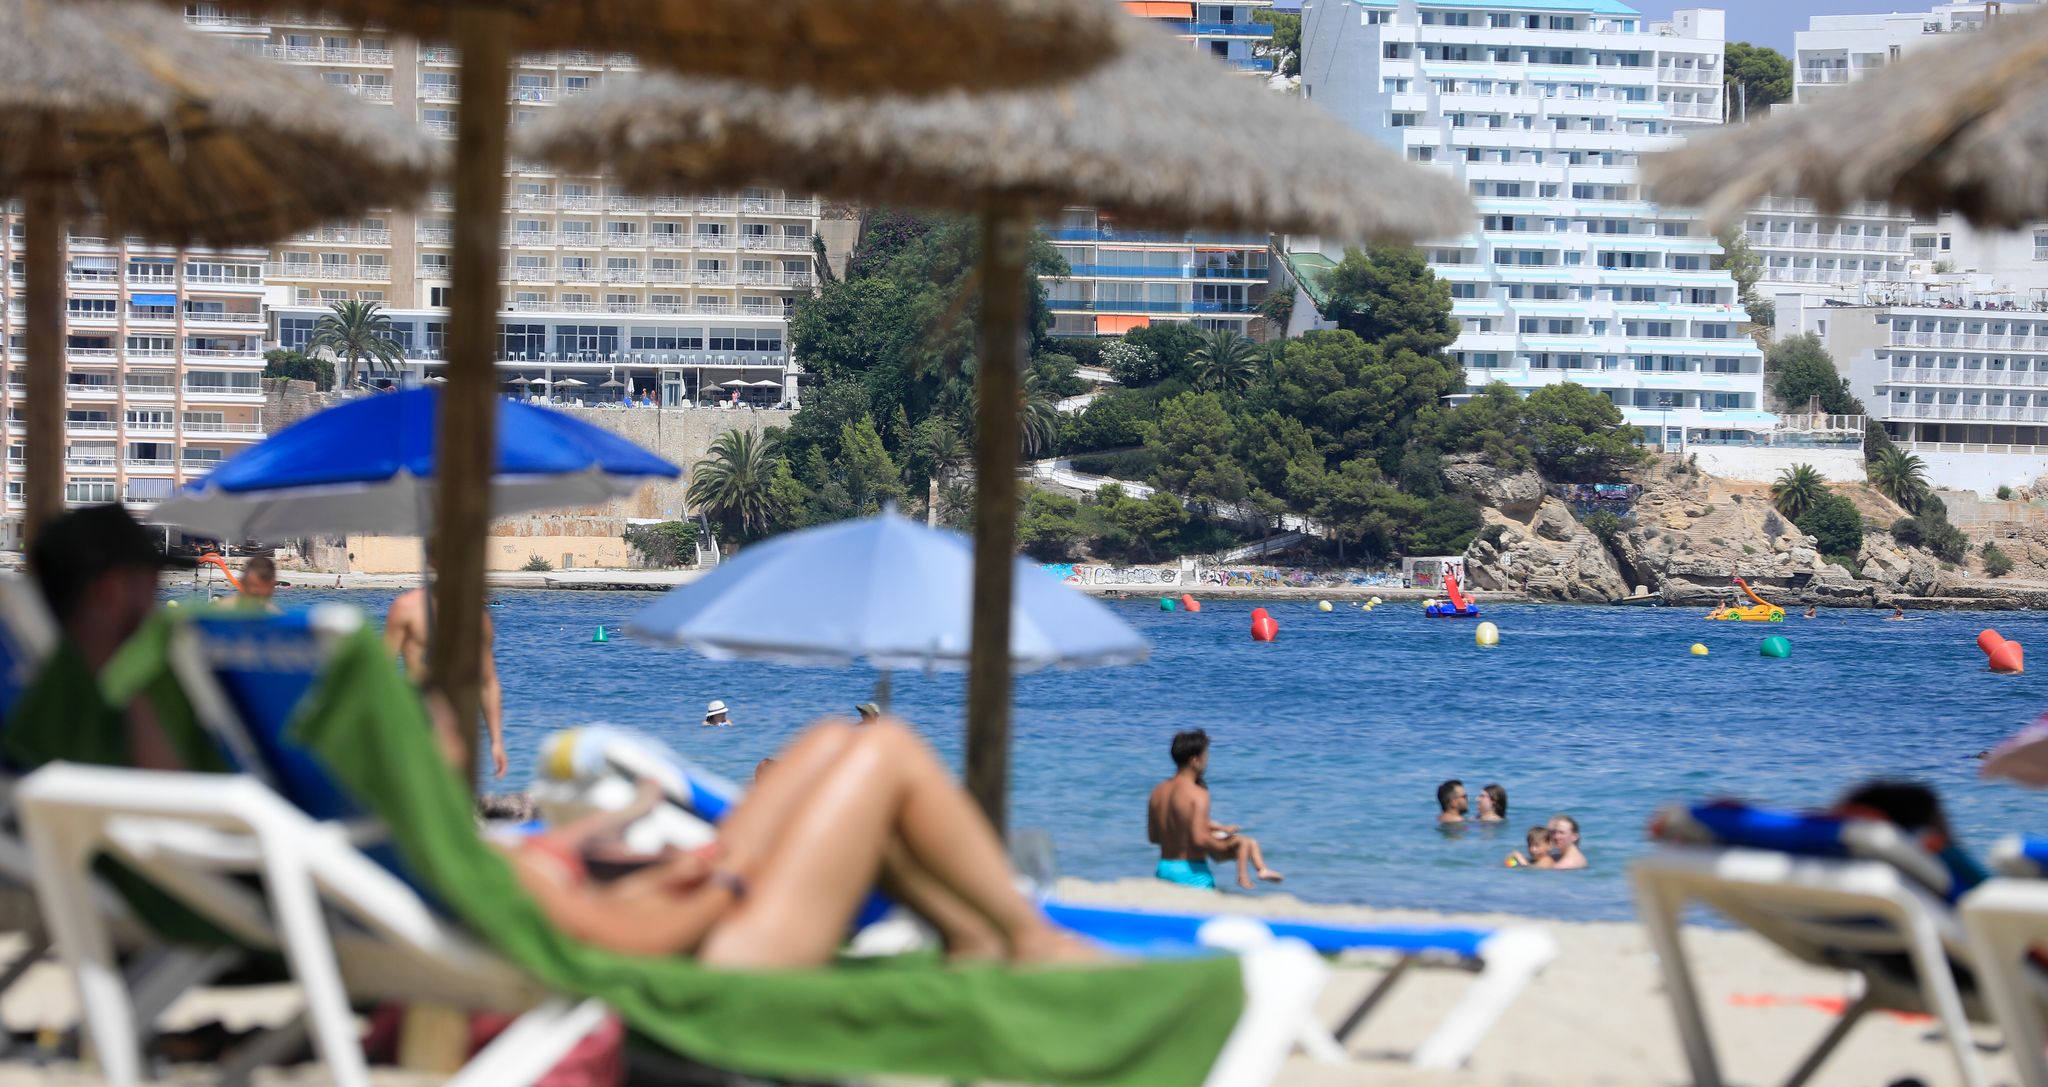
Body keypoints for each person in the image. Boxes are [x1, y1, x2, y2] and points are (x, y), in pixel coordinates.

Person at [465, 707, 1094, 966]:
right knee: (887, 747)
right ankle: (1028, 934)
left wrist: (635, 816)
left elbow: (563, 873)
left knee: (827, 739)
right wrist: (727, 879)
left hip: (688, 895)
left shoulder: (464, 854)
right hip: (718, 940)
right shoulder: (474, 868)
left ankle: (974, 931)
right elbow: (638, 938)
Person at [4, 505, 213, 773]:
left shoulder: (43, 691)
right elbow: (170, 787)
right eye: (151, 583)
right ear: (111, 589)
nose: (153, 601)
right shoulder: (155, 672)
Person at [383, 541, 507, 778]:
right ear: (431, 561)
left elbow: (487, 682)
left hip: (460, 724)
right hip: (417, 718)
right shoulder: (407, 609)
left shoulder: (478, 619)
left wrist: (496, 741)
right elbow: (381, 673)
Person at [1146, 730, 1282, 891]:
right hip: (1192, 874)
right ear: (1195, 760)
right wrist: (1228, 849)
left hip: (1164, 868)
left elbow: (1154, 837)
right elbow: (1199, 839)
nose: (1207, 760)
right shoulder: (1198, 793)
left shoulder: (1158, 791)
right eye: (1205, 755)